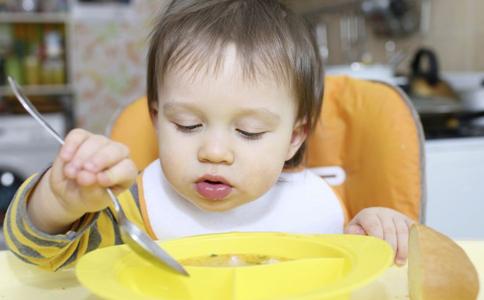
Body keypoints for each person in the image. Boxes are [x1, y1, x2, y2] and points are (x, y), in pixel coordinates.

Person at [3, 0, 414, 271]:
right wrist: (56, 206)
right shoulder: (135, 212)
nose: (215, 152)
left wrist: (378, 233)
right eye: (188, 125)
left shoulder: (317, 208)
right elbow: (36, 256)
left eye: (249, 131)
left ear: (294, 136)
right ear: (156, 118)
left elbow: (357, 279)